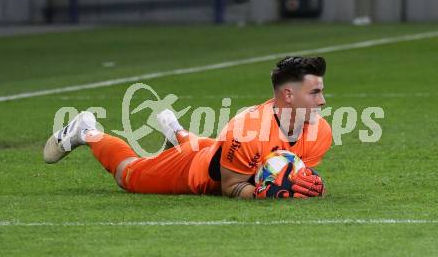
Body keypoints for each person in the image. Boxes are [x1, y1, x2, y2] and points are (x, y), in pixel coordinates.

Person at [43, 56, 332, 199]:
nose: (323, 101)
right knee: (128, 175)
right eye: (315, 93)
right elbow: (231, 186)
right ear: (289, 95)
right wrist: (264, 193)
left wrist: (300, 181)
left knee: (222, 149)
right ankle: (87, 131)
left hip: (226, 154)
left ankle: (177, 132)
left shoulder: (321, 132)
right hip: (196, 170)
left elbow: (285, 166)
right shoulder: (247, 129)